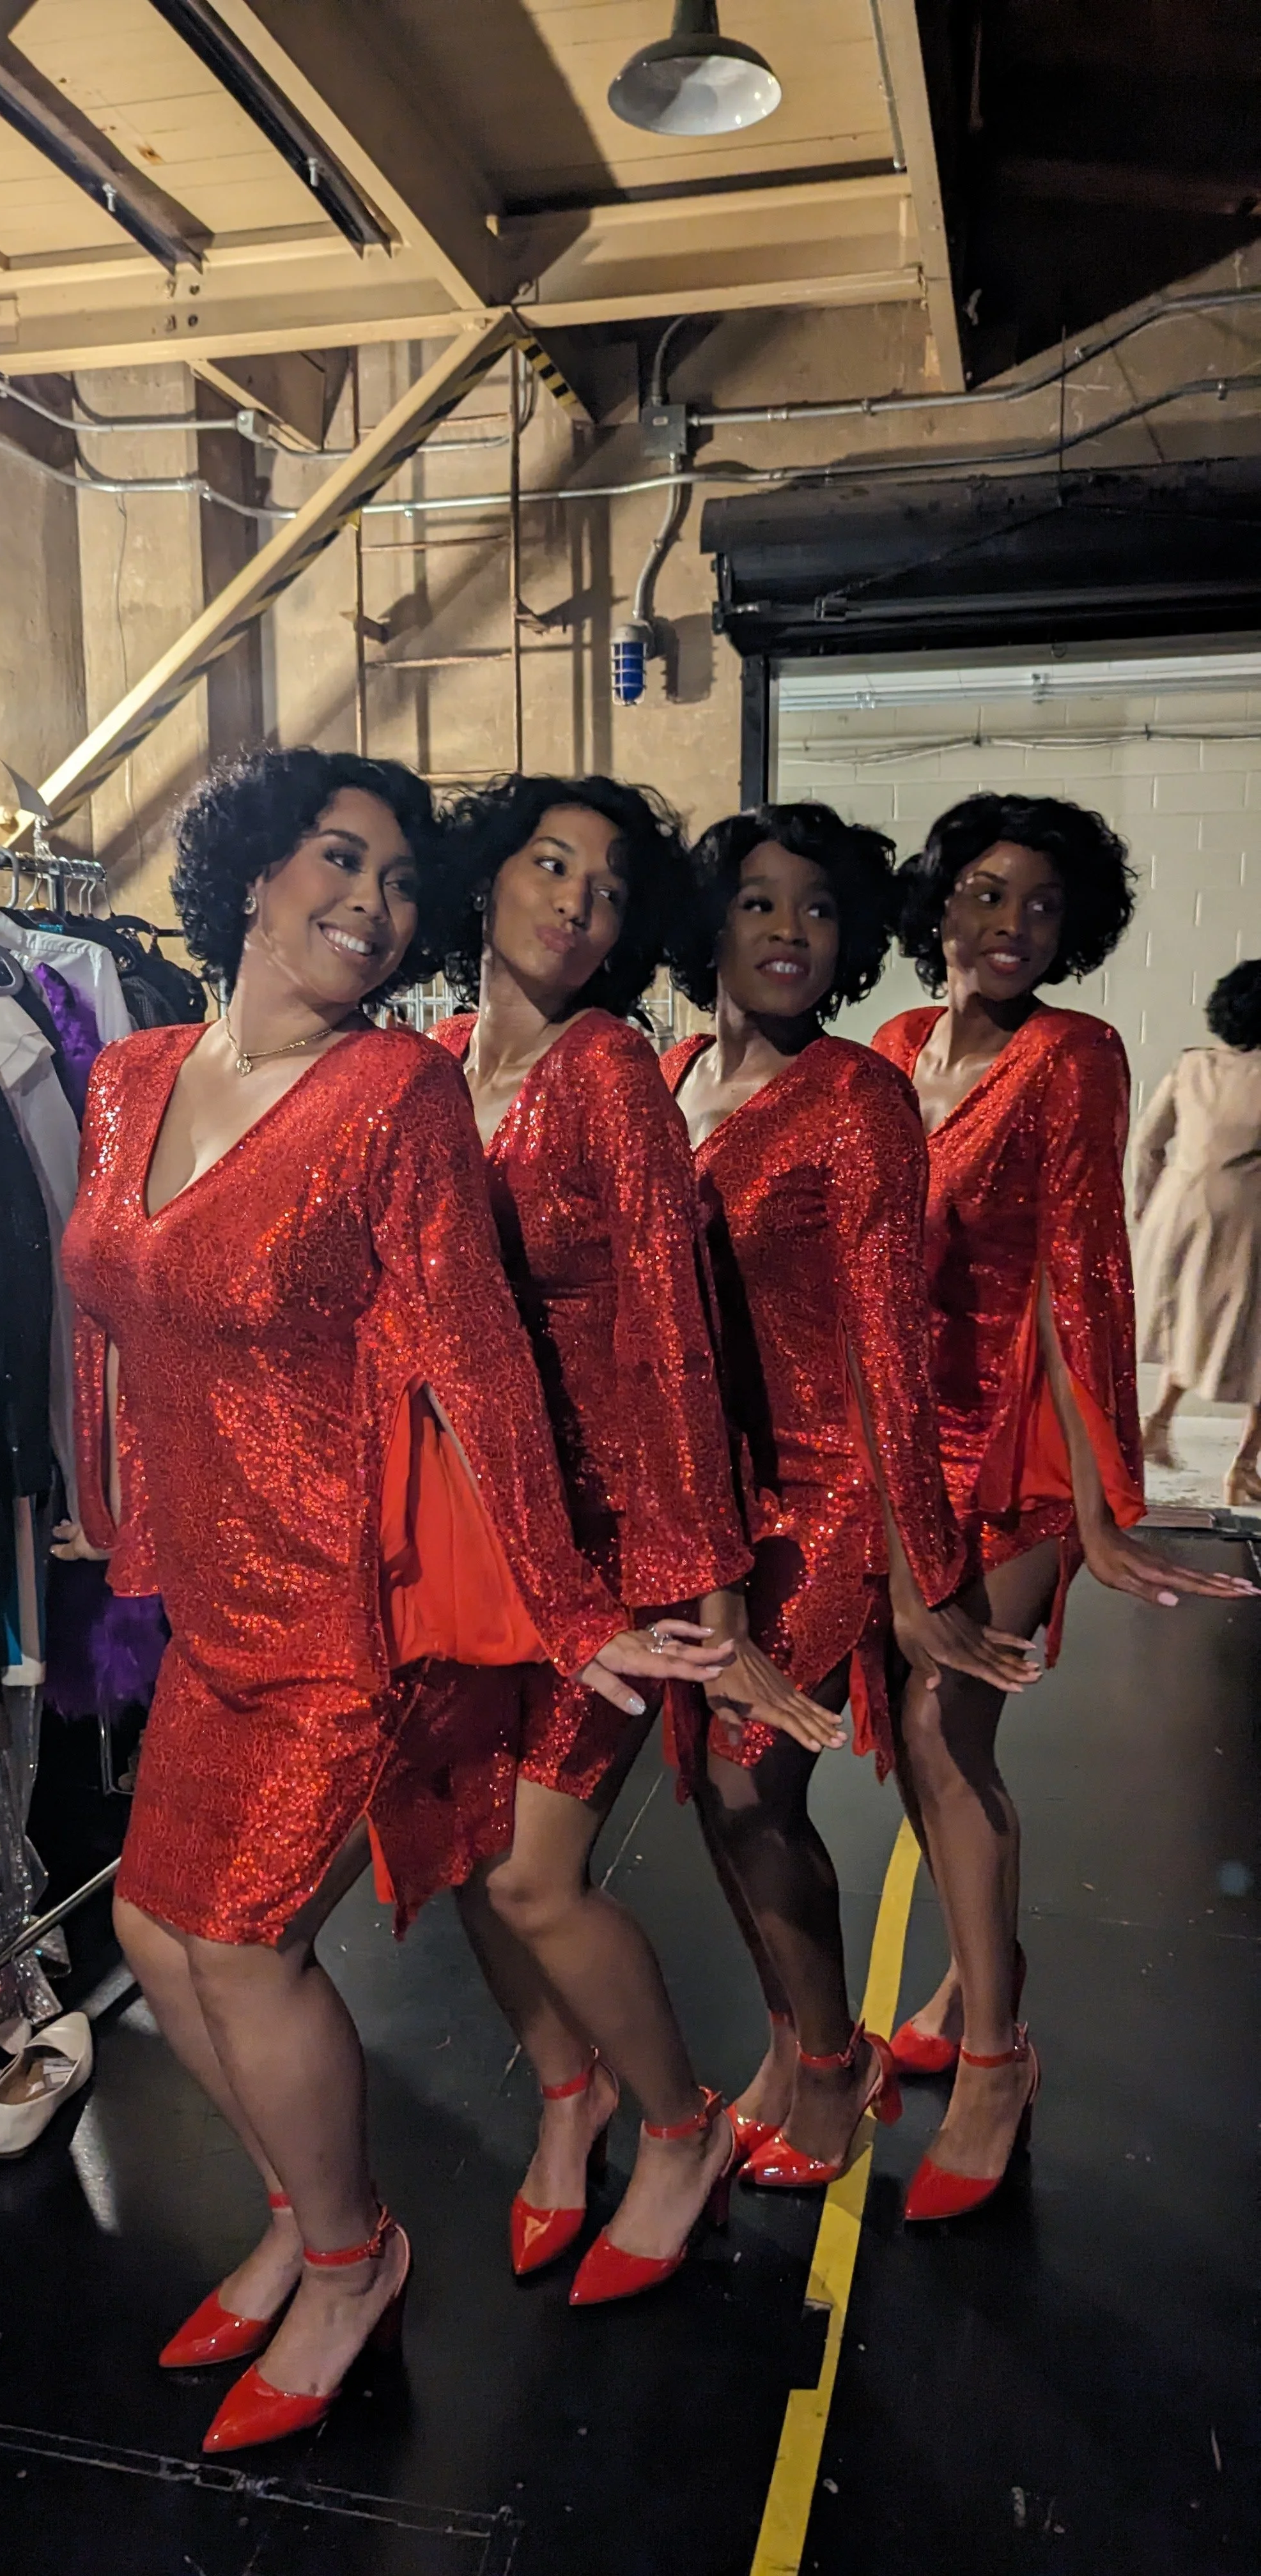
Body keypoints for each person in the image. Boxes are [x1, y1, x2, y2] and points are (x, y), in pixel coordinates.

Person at [56, 747, 728, 2451]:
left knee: (245, 1943)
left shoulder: (389, 1097)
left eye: (399, 880)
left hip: (340, 1602)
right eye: (338, 860)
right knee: (146, 1932)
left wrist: (576, 1607)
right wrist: (98, 1501)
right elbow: (103, 1301)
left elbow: (477, 1356)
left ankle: (357, 2262)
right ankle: (302, 2214)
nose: (371, 902)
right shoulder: (131, 1076)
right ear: (250, 873)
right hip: (207, 1593)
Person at [431, 772, 796, 2307]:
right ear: (487, 880)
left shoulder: (610, 1069)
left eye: (609, 885)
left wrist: (713, 1586)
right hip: (466, 1535)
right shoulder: (426, 1066)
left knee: (536, 1875)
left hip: (611, 1545)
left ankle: (675, 2125)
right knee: (469, 1857)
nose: (578, 902)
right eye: (550, 864)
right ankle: (567, 2096)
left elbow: (673, 1329)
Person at [872, 793, 1254, 2223]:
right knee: (913, 1734)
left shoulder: (1074, 1053)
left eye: (1042, 904)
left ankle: (995, 2055)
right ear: (938, 904)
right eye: (984, 893)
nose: (1011, 925)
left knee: (941, 1723)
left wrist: (1100, 1498)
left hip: (1020, 1433)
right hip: (905, 1441)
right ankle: (974, 1974)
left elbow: (1080, 1269)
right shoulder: (894, 1048)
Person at [661, 802, 1038, 2193]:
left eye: (818, 909)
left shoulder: (857, 1098)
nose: (789, 931)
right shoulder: (667, 1074)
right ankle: (791, 2043)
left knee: (750, 1780)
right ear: (708, 922)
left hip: (829, 1494)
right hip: (707, 1503)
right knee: (705, 1789)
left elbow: (890, 1350)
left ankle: (834, 2066)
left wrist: (917, 1571)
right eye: (758, 902)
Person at [1133, 960, 1261, 1506]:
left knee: (1190, 1320)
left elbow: (1147, 1143)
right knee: (1252, 1337)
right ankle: (1244, 1467)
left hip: (1178, 1211)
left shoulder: (1192, 1066)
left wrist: (1146, 1206)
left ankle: (1157, 1424)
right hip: (1246, 1219)